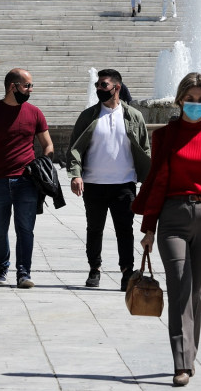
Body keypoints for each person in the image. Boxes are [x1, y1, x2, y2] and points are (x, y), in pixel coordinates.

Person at [132, 73, 201, 387]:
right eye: (190, 99)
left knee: (196, 292)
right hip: (172, 219)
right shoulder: (165, 136)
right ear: (180, 99)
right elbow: (155, 182)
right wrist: (149, 228)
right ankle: (182, 363)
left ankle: (189, 353)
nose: (195, 104)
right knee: (180, 287)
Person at [67, 69, 151, 291]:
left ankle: (127, 272)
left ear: (117, 87)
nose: (98, 89)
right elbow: (74, 147)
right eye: (97, 85)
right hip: (94, 184)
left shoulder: (134, 115)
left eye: (103, 85)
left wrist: (148, 180)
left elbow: (145, 149)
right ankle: (94, 269)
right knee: (94, 229)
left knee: (125, 230)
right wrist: (76, 175)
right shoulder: (89, 115)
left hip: (124, 184)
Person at [0, 68, 53, 288]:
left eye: (30, 85)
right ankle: (1, 269)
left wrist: (42, 165)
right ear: (12, 86)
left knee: (25, 228)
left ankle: (23, 273)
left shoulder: (35, 113)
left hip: (26, 181)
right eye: (27, 85)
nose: (30, 90)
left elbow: (48, 145)